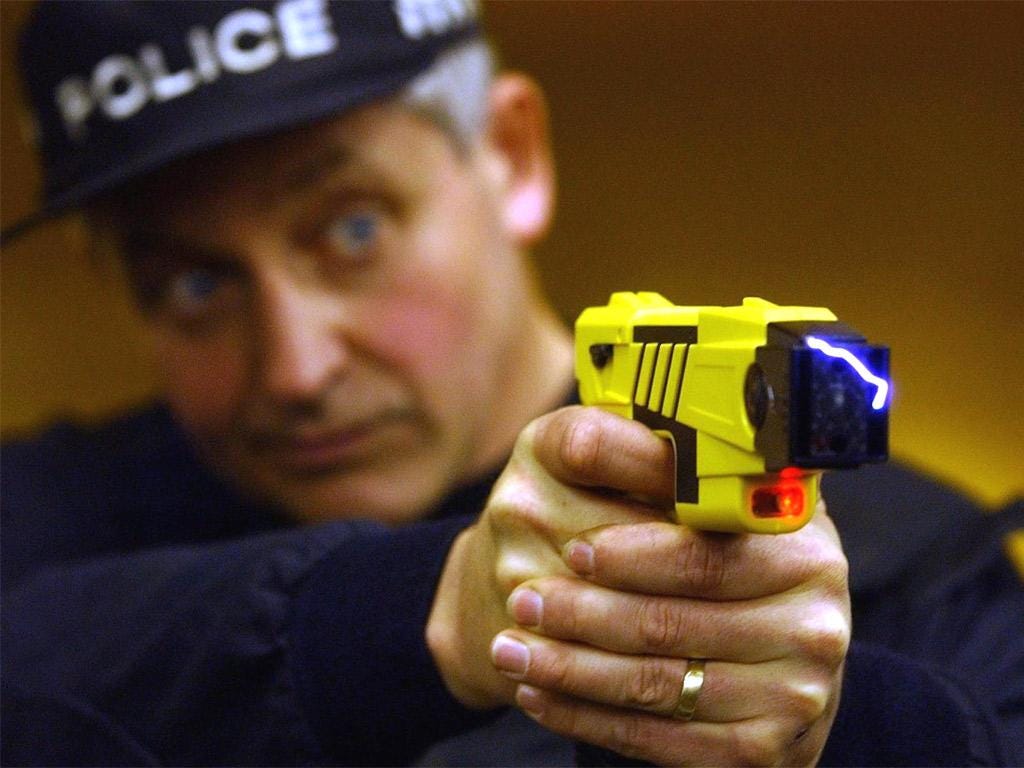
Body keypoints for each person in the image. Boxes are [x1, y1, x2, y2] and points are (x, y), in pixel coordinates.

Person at [2, 2, 1021, 766]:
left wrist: (837, 729)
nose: (296, 369)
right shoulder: (57, 524)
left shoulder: (919, 568)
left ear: (512, 154)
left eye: (353, 230)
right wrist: (427, 606)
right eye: (190, 283)